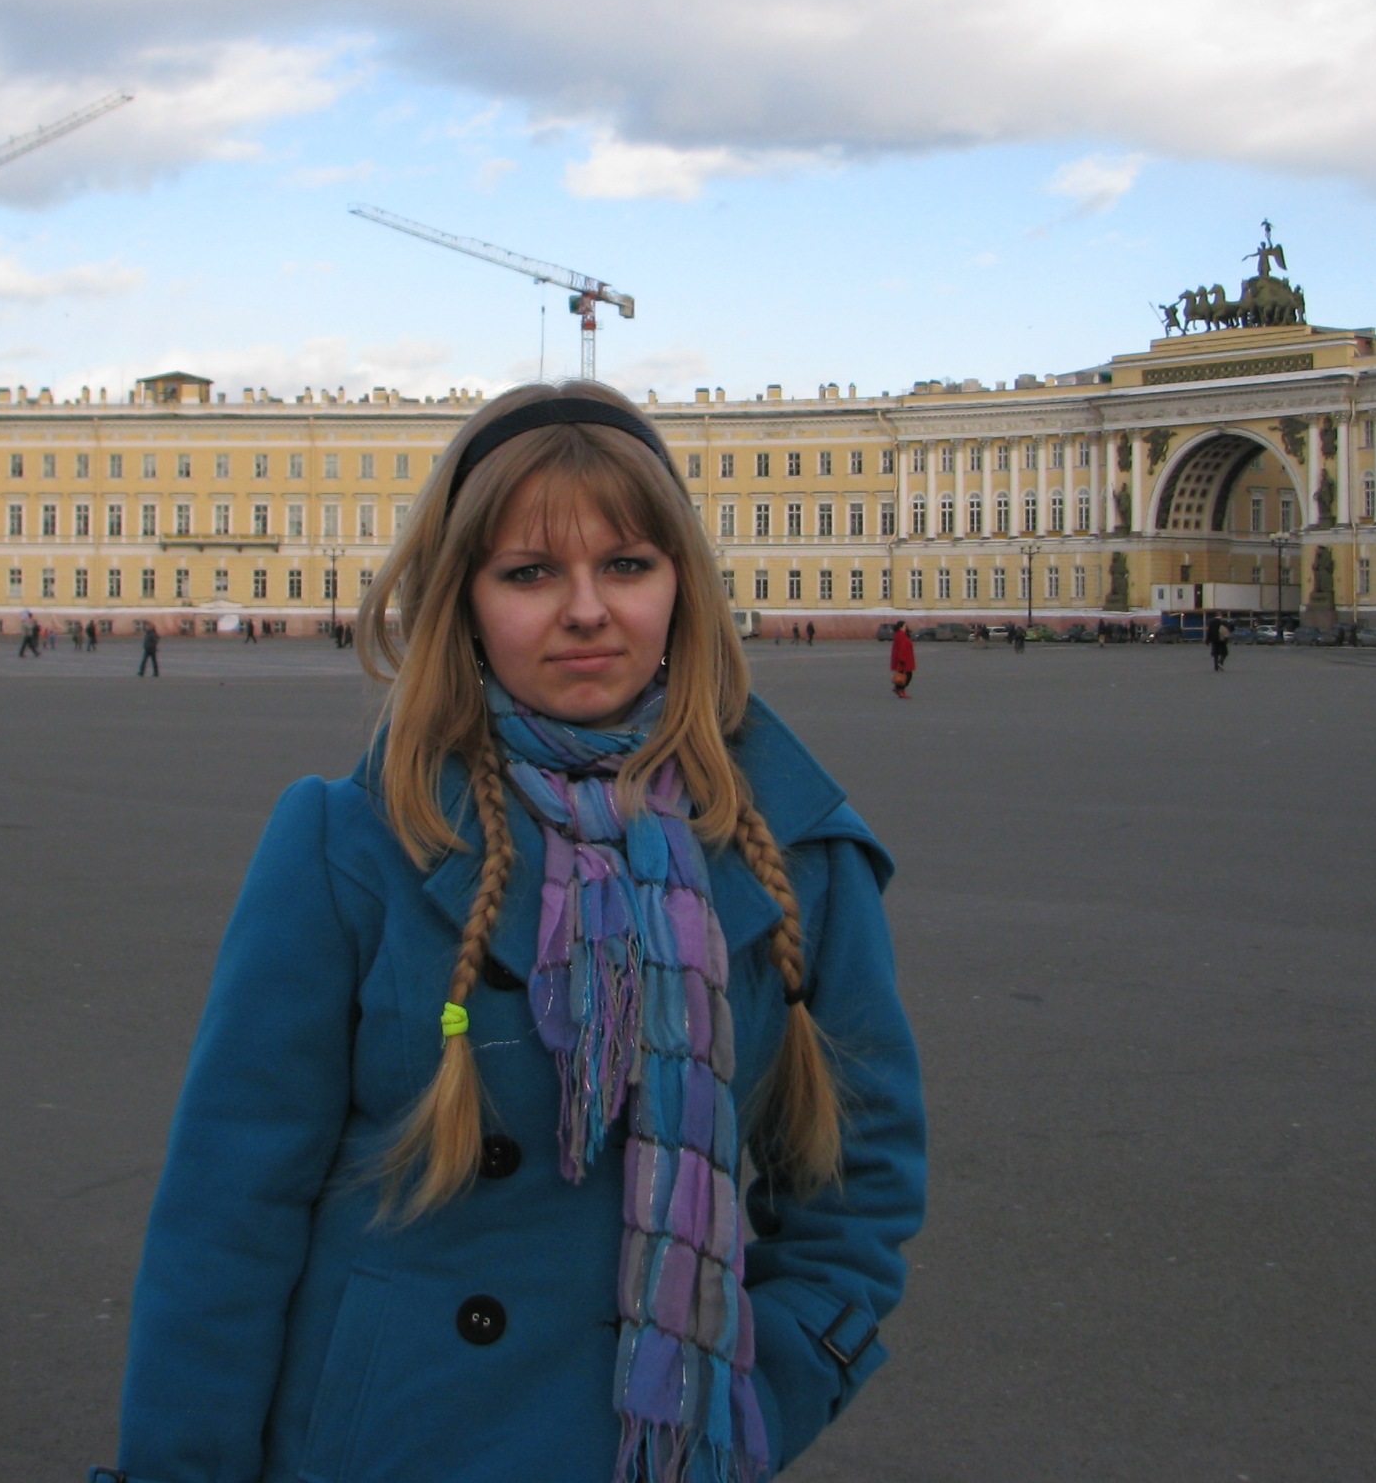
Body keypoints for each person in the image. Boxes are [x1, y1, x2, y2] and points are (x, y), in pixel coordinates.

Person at [101, 384, 924, 1483]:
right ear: (465, 598)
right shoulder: (351, 845)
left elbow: (857, 1187)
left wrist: (757, 1392)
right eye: (529, 573)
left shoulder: (797, 855)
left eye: (626, 564)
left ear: (681, 583)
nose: (586, 610)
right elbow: (228, 1216)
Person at [888, 618, 915, 698]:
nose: (906, 627)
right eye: (905, 626)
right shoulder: (901, 635)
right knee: (907, 675)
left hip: (906, 658)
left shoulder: (901, 634)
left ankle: (899, 689)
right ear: (901, 627)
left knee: (903, 675)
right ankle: (900, 689)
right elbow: (901, 648)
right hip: (904, 659)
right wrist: (902, 659)